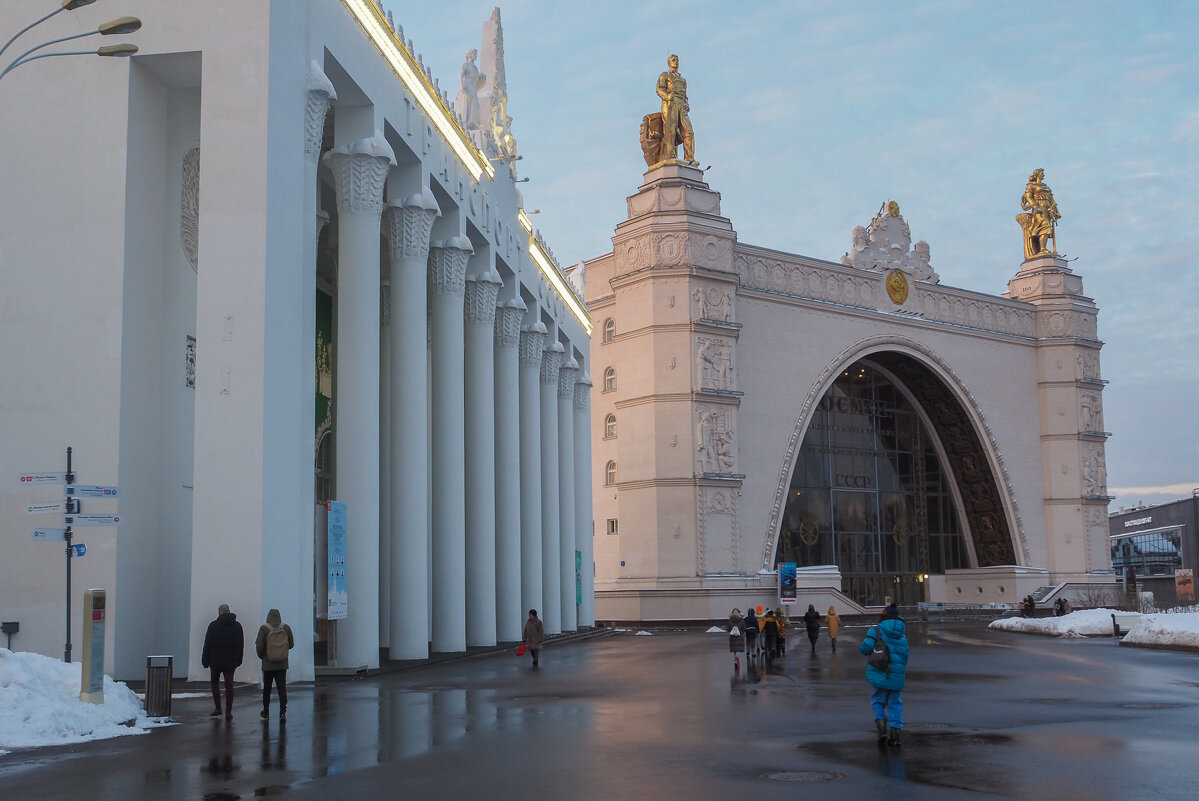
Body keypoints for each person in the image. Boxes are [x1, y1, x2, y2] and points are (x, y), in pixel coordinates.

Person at [859, 603, 910, 746]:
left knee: (878, 700)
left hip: (879, 670)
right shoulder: (902, 634)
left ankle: (882, 728)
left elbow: (865, 648)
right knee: (895, 703)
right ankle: (896, 733)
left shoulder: (876, 630)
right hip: (896, 675)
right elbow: (905, 655)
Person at [201, 603, 244, 720]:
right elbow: (241, 645)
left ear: (219, 612)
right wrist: (239, 660)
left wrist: (205, 660)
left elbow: (207, 644)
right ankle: (228, 712)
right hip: (231, 661)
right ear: (229, 611)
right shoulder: (237, 626)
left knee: (214, 683)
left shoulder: (213, 625)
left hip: (215, 661)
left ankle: (218, 708)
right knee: (229, 685)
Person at [655, 54, 695, 164]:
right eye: (673, 60)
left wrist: (686, 103)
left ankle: (690, 158)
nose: (676, 62)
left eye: (677, 60)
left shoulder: (683, 80)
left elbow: (685, 94)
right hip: (670, 104)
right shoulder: (665, 75)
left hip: (681, 104)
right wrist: (667, 97)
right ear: (669, 62)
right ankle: (668, 156)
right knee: (670, 130)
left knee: (688, 131)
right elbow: (659, 89)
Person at [255, 608, 294, 721]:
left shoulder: (264, 628)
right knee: (282, 689)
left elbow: (259, 646)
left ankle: (266, 711)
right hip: (282, 664)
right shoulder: (286, 628)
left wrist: (263, 656)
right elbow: (291, 644)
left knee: (267, 689)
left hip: (267, 665)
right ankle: (282, 712)